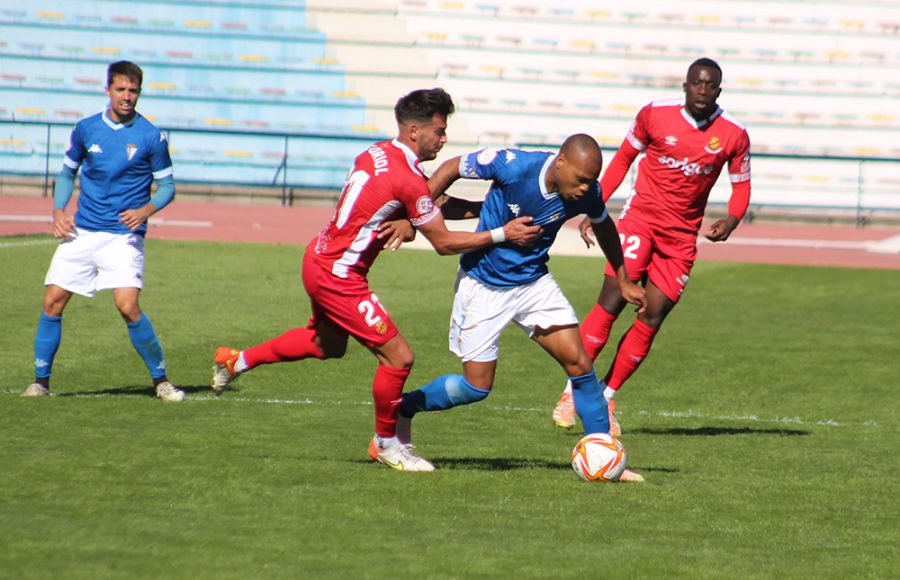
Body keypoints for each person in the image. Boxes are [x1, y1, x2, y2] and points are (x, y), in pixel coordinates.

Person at [210, 88, 541, 472]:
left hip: (317, 259)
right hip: (339, 276)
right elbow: (445, 242)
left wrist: (486, 213)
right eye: (439, 130)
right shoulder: (408, 178)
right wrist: (504, 233)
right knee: (399, 357)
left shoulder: (376, 153)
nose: (444, 138)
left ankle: (237, 361)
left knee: (326, 345)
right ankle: (386, 444)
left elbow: (423, 203)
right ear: (415, 131)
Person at [394, 134, 648, 481]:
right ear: (561, 162)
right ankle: (404, 407)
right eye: (581, 180)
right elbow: (452, 167)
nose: (586, 189)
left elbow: (604, 226)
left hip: (533, 283)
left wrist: (623, 279)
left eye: (591, 182)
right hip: (483, 284)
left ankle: (604, 457)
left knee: (580, 363)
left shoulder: (587, 192)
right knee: (476, 387)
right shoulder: (513, 165)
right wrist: (413, 218)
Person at [551, 57, 752, 434]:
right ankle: (570, 392)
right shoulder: (654, 116)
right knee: (610, 301)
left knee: (652, 316)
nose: (703, 91)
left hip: (680, 239)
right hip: (639, 220)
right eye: (697, 83)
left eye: (710, 86)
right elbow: (623, 159)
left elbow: (741, 186)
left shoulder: (733, 135)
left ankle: (606, 398)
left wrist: (733, 218)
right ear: (686, 86)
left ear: (718, 91)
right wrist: (594, 208)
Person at [21, 61, 183, 401]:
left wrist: (145, 211)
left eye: (133, 90)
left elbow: (167, 187)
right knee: (52, 302)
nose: (127, 97)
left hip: (123, 236)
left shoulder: (152, 136)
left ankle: (161, 381)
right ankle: (40, 383)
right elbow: (67, 174)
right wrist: (58, 211)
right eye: (121, 90)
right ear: (108, 90)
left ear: (139, 92)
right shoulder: (85, 129)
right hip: (82, 231)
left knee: (127, 306)